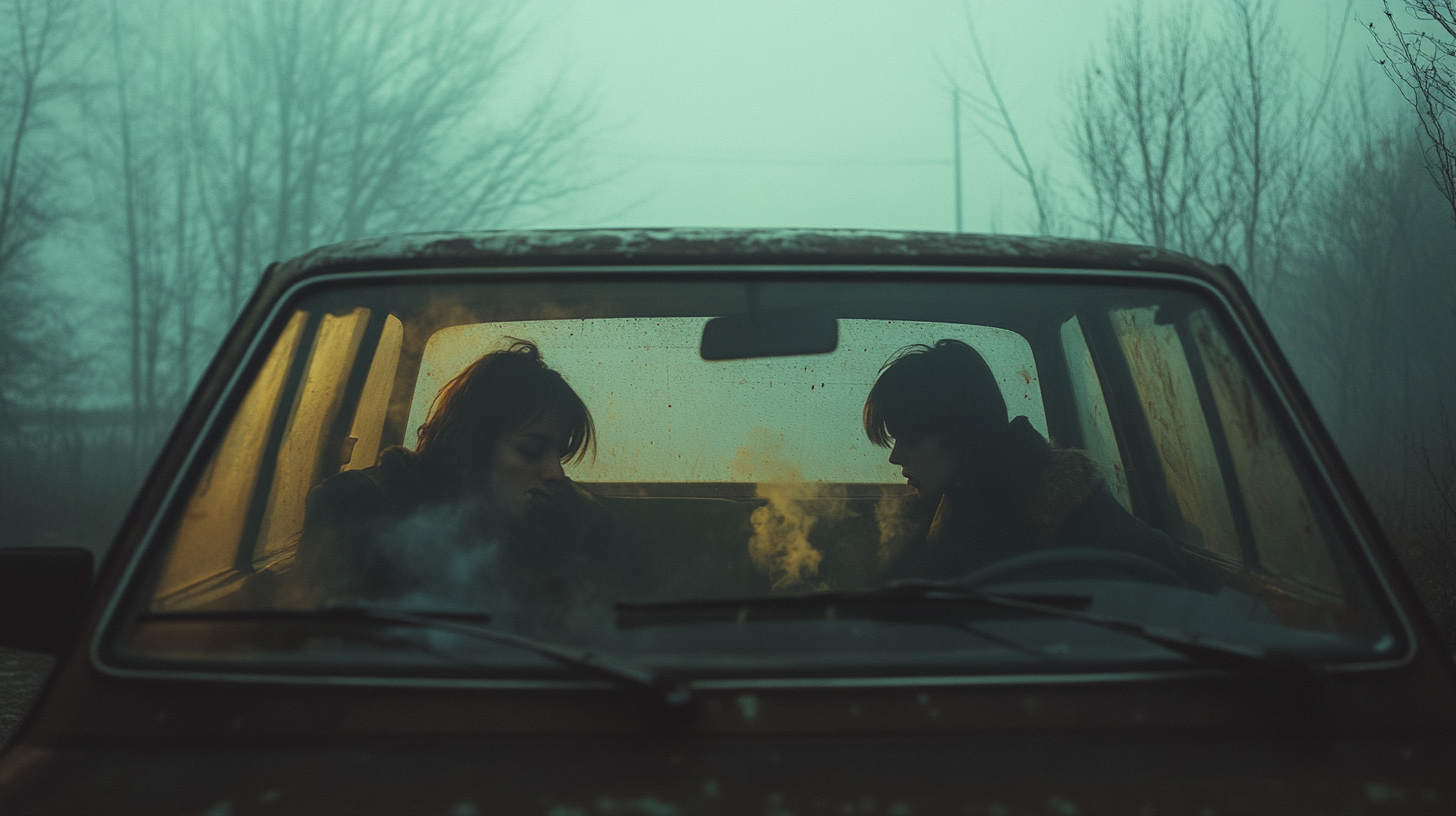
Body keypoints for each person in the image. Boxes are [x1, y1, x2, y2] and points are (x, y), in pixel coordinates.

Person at [291, 340, 619, 634]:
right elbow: (327, 655)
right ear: (471, 447)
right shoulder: (357, 508)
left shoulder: (562, 514)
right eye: (531, 451)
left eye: (559, 455)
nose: (555, 473)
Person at [863, 339, 1190, 585]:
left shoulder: (1080, 520)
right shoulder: (950, 503)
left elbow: (1164, 573)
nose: (895, 457)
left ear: (961, 430)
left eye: (911, 438)